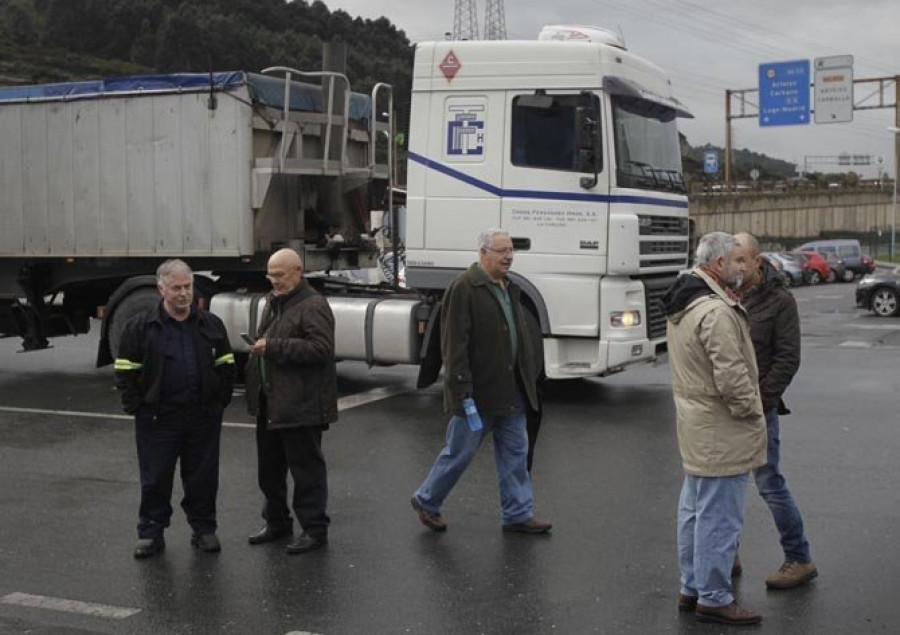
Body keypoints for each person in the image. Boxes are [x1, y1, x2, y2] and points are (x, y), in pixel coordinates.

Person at [411, 229, 551, 534]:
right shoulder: (464, 287)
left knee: (516, 454)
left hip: (512, 391)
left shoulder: (508, 286)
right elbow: (453, 344)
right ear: (483, 253)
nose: (508, 256)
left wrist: (532, 378)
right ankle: (427, 499)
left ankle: (517, 514)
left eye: (511, 250)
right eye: (501, 251)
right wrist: (461, 388)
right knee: (459, 453)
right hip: (478, 394)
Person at [662, 232, 766, 625]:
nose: (743, 267)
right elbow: (732, 377)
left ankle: (693, 587)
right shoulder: (716, 311)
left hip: (697, 425)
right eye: (737, 261)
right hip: (721, 428)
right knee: (719, 517)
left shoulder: (686, 298)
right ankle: (714, 596)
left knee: (694, 510)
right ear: (719, 264)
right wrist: (752, 412)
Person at [115, 259, 236, 558]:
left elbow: (227, 366)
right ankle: (151, 533)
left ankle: (204, 529)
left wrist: (218, 403)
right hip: (158, 419)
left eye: (188, 287)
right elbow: (125, 370)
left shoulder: (211, 325)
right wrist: (138, 408)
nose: (184, 294)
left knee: (203, 477)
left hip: (201, 418)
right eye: (176, 288)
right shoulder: (140, 328)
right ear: (161, 289)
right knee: (155, 478)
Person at [733, 233, 818, 589]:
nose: (735, 266)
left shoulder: (780, 300)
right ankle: (725, 551)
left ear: (758, 261)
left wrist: (761, 401)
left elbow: (787, 359)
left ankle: (799, 558)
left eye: (742, 260)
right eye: (731, 259)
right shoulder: (726, 294)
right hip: (729, 407)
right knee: (727, 484)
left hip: (758, 409)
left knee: (769, 483)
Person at [245, 248, 337, 555]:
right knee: (269, 471)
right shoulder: (275, 301)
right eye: (270, 275)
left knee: (306, 471)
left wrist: (272, 346)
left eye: (280, 275)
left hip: (301, 404)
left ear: (298, 271)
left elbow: (321, 349)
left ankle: (314, 530)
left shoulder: (313, 305)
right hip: (271, 402)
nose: (274, 281)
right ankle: (277, 522)